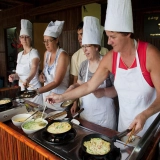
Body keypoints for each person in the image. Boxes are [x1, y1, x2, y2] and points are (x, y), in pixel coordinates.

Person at [46, 0, 160, 137]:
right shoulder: (111, 58)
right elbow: (89, 85)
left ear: (128, 34)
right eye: (107, 36)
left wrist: (145, 114)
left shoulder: (150, 55)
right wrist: (61, 97)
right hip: (125, 126)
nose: (108, 41)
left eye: (113, 37)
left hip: (150, 125)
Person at [67, 16, 116, 129]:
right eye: (83, 46)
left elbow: (117, 90)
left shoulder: (108, 63)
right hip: (86, 116)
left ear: (97, 47)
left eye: (88, 46)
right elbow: (80, 83)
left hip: (105, 118)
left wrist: (103, 92)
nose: (84, 50)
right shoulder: (83, 65)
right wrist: (73, 86)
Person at [8, 19, 43, 105]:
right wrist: (14, 76)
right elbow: (18, 74)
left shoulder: (34, 52)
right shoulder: (19, 54)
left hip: (34, 91)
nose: (24, 39)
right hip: (24, 91)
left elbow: (34, 69)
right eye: (22, 36)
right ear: (20, 39)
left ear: (30, 38)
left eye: (26, 36)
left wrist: (27, 79)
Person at [38, 20, 70, 110]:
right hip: (47, 97)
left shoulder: (62, 55)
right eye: (44, 41)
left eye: (49, 41)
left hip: (59, 99)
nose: (46, 44)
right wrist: (41, 76)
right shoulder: (46, 54)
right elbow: (44, 72)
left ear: (56, 40)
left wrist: (38, 91)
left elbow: (57, 82)